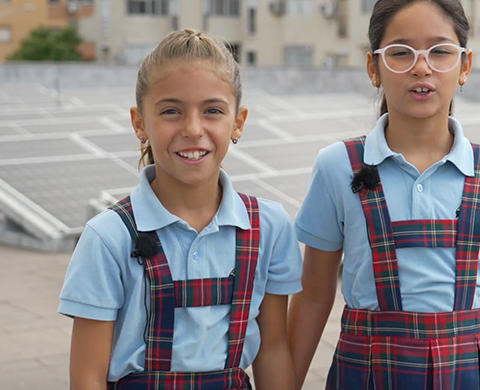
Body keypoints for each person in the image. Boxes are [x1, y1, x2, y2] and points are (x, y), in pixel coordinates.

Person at [287, 0, 480, 390]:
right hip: (365, 375)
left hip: (472, 377)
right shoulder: (337, 167)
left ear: (465, 66)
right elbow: (314, 296)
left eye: (440, 51)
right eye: (401, 53)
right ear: (374, 67)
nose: (421, 67)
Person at [59, 28, 302, 390]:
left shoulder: (269, 227)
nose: (192, 129)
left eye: (213, 111)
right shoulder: (107, 237)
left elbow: (273, 352)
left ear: (238, 122)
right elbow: (87, 376)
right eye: (171, 111)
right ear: (139, 122)